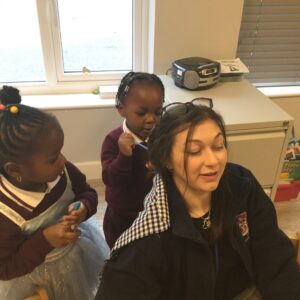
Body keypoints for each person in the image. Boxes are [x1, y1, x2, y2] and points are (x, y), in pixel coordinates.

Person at [96, 99, 300, 300]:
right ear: (166, 160)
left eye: (218, 146)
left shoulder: (242, 185)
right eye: (194, 151)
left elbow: (275, 257)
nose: (213, 161)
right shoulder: (149, 239)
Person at [0, 104, 109, 300]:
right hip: (34, 280)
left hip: (75, 256)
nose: (64, 160)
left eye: (60, 151)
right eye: (52, 159)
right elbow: (5, 267)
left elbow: (86, 191)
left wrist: (84, 206)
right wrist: (45, 240)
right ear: (15, 170)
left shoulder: (63, 171)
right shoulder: (6, 214)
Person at [101, 71, 165, 248]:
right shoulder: (113, 140)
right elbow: (110, 179)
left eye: (158, 112)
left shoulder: (161, 137)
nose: (151, 119)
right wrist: (124, 156)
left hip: (154, 211)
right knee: (121, 252)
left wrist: (161, 165)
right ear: (122, 109)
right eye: (142, 113)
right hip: (122, 216)